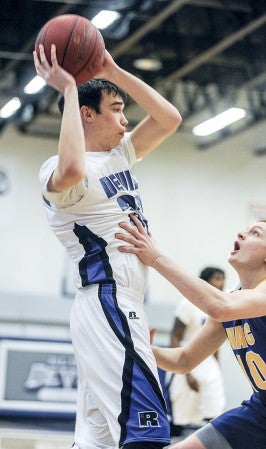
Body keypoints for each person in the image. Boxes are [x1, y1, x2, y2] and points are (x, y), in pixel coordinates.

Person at [33, 42, 182, 449]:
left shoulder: (119, 155)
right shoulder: (59, 169)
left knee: (98, 440)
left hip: (118, 304)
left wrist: (112, 71)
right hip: (108, 302)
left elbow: (169, 118)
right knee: (146, 429)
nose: (124, 117)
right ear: (86, 114)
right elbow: (73, 167)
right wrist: (67, 91)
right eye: (115, 108)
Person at [116, 214, 266, 449]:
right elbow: (184, 360)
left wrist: (156, 257)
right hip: (261, 411)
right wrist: (141, 348)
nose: (241, 234)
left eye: (256, 233)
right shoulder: (232, 302)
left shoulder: (233, 303)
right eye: (246, 230)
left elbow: (219, 306)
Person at [168, 267, 226, 436]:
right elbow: (175, 337)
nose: (221, 282)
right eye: (217, 278)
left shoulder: (219, 306)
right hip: (188, 359)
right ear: (206, 281)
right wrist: (185, 372)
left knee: (215, 410)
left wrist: (218, 367)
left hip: (209, 364)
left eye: (223, 278)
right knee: (181, 415)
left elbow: (215, 343)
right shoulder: (187, 303)